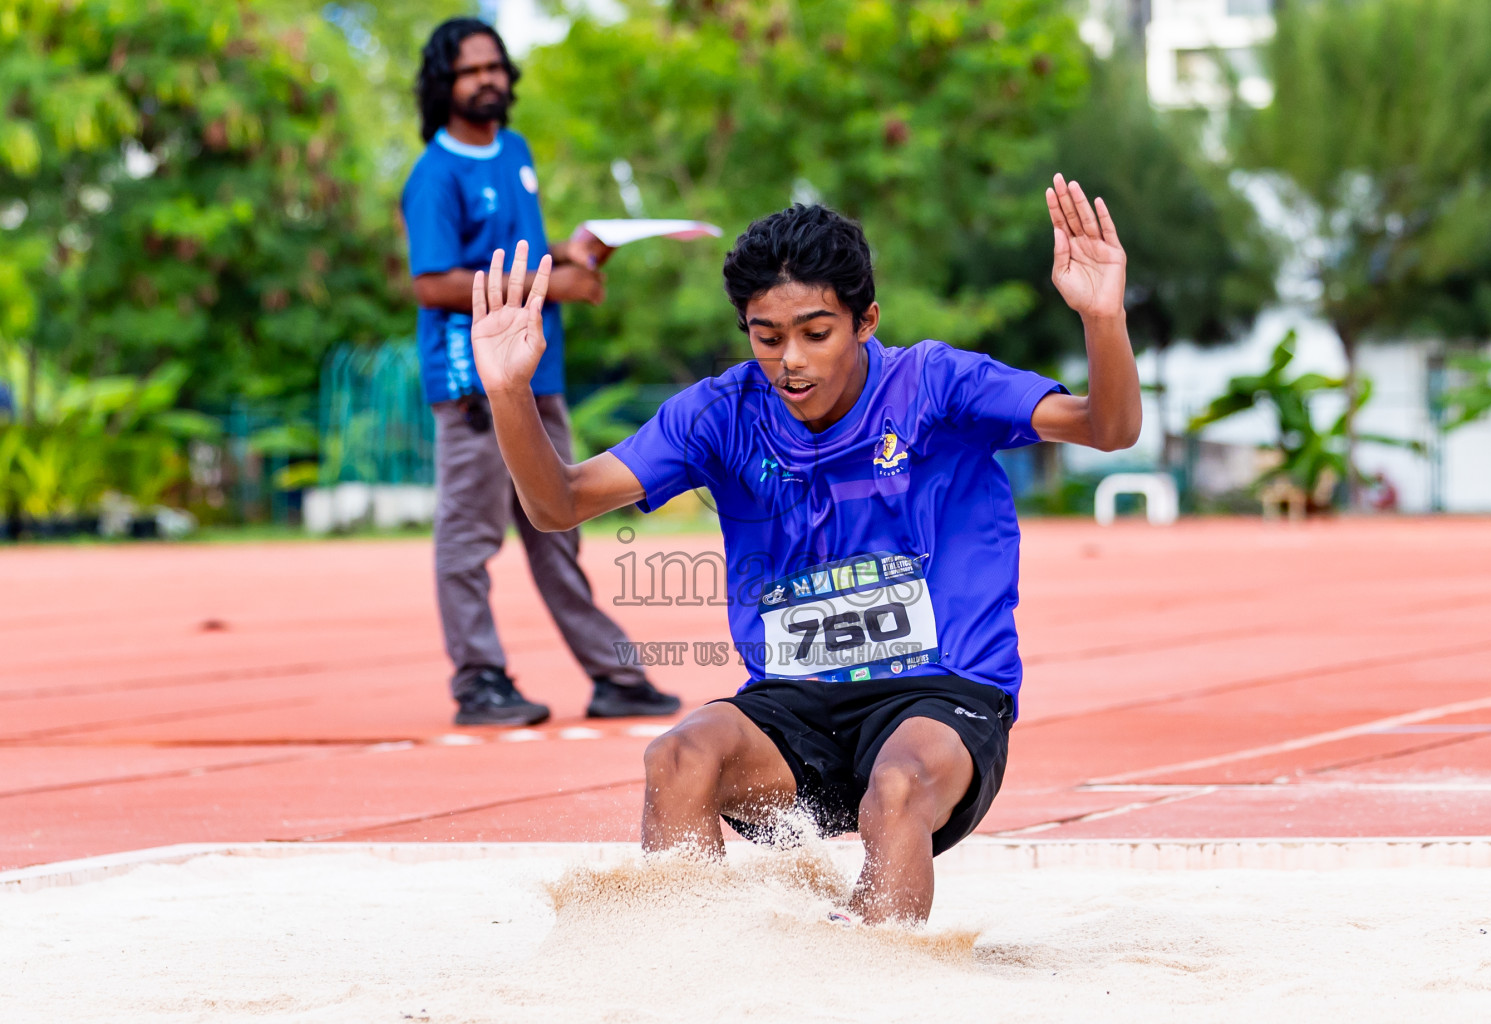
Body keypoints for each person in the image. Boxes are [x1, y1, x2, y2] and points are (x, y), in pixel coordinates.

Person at [468, 179, 1141, 924]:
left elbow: (1107, 427)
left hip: (942, 695)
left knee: (895, 788)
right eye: (767, 337)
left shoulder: (937, 385)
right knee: (679, 757)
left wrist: (1103, 317)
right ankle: (681, 969)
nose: (791, 360)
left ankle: (876, 985)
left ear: (865, 321)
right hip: (797, 705)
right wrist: (508, 394)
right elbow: (556, 503)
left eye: (816, 333)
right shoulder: (722, 413)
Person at [401, 18, 679, 726]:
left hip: (538, 374)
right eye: (471, 71)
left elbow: (520, 252)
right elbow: (432, 284)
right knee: (469, 538)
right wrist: (552, 285)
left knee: (559, 522)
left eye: (496, 66)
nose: (489, 79)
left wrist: (574, 253)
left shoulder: (516, 151)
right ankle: (478, 679)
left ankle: (613, 676)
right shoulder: (434, 175)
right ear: (444, 85)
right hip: (474, 382)